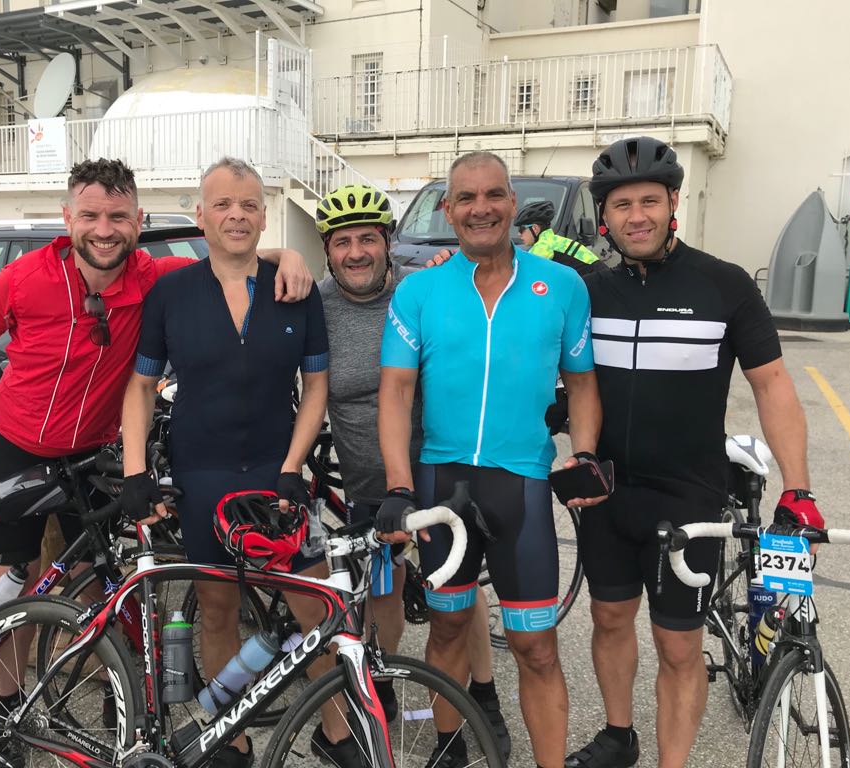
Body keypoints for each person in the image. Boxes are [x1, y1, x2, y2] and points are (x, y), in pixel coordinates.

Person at [0, 158, 311, 759]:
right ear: (68, 218)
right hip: (18, 446)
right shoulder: (24, 277)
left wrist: (287, 256)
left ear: (138, 220)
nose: (104, 229)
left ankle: (117, 692)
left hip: (93, 455)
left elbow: (229, 252)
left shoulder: (153, 276)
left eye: (117, 216)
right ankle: (8, 705)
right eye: (90, 215)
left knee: (102, 579)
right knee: (18, 580)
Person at [565, 136, 823, 768]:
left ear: (673, 202)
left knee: (678, 644)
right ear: (605, 215)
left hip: (689, 495)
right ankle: (618, 736)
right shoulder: (586, 291)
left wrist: (799, 489)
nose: (637, 217)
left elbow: (773, 385)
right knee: (608, 618)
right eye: (622, 205)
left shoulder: (723, 284)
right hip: (607, 490)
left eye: (649, 201)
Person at [119, 157, 360, 768]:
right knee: (218, 608)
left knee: (314, 607)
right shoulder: (171, 293)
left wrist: (293, 465)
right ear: (201, 216)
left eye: (249, 205)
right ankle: (233, 739)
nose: (236, 215)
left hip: (278, 471)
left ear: (263, 216)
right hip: (202, 472)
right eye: (223, 204)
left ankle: (336, 732)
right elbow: (142, 386)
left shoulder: (294, 289)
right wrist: (135, 471)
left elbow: (317, 387)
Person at [377, 151, 606, 768]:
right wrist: (398, 485)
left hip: (521, 487)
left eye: (493, 195)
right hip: (440, 484)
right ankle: (449, 750)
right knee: (447, 628)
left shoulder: (562, 286)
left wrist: (585, 453)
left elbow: (583, 383)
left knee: (537, 647)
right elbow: (396, 392)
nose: (481, 208)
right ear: (448, 209)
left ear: (512, 203)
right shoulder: (420, 290)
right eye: (467, 197)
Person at [315, 182, 512, 758]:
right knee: (383, 590)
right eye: (342, 242)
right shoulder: (315, 305)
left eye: (368, 239)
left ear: (388, 242)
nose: (356, 252)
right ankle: (383, 681)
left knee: (458, 589)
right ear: (327, 251)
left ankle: (483, 695)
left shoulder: (424, 288)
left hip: (436, 471)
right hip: (367, 482)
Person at [514, 200, 602, 274]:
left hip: (597, 279)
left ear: (535, 228)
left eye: (521, 229)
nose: (519, 234)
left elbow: (528, 271)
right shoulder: (553, 240)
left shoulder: (544, 245)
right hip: (598, 273)